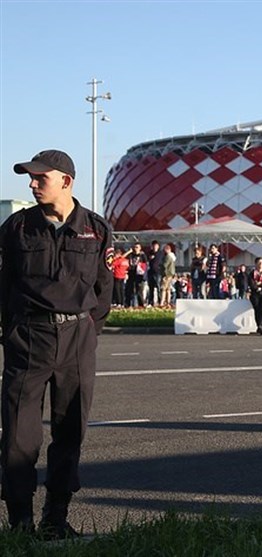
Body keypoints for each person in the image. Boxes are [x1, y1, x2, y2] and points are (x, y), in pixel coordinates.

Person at [0, 150, 113, 537]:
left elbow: (103, 288)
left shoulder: (96, 229)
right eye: (29, 179)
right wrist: (11, 331)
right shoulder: (16, 228)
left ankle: (55, 517)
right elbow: (4, 285)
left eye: (39, 178)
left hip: (76, 341)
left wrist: (86, 331)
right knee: (18, 434)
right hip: (29, 338)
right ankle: (20, 521)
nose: (31, 185)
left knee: (70, 431)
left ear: (66, 181)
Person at [248, 258, 262, 335]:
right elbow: (252, 285)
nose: (261, 264)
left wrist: (259, 284)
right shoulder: (252, 273)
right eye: (259, 263)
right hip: (255, 294)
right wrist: (258, 286)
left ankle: (260, 326)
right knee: (257, 309)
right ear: (256, 264)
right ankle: (259, 326)